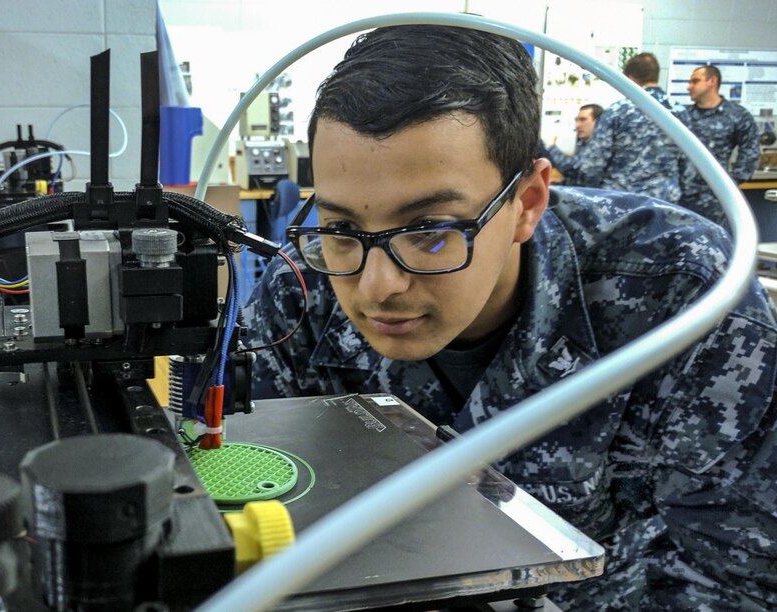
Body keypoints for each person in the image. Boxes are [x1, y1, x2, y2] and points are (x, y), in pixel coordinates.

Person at [244, 25, 777, 610]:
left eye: (430, 230)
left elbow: (732, 579)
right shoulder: (304, 283)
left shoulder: (683, 300)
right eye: (343, 228)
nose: (376, 286)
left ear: (526, 203)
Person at [575, 52, 687, 202]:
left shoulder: (617, 112)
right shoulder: (679, 112)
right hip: (665, 200)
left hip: (622, 201)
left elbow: (593, 165)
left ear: (630, 77)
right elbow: (688, 165)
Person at [681, 65, 761, 227]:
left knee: (712, 246)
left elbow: (750, 151)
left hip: (715, 200)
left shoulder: (736, 115)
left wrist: (731, 183)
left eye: (695, 81)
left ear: (712, 81)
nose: (689, 86)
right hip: (679, 197)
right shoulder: (682, 115)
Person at [547, 103, 602, 185]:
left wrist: (551, 148)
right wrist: (562, 182)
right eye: (577, 120)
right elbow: (578, 178)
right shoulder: (582, 144)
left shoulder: (601, 146)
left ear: (597, 122)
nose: (577, 125)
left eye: (583, 120)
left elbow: (573, 168)